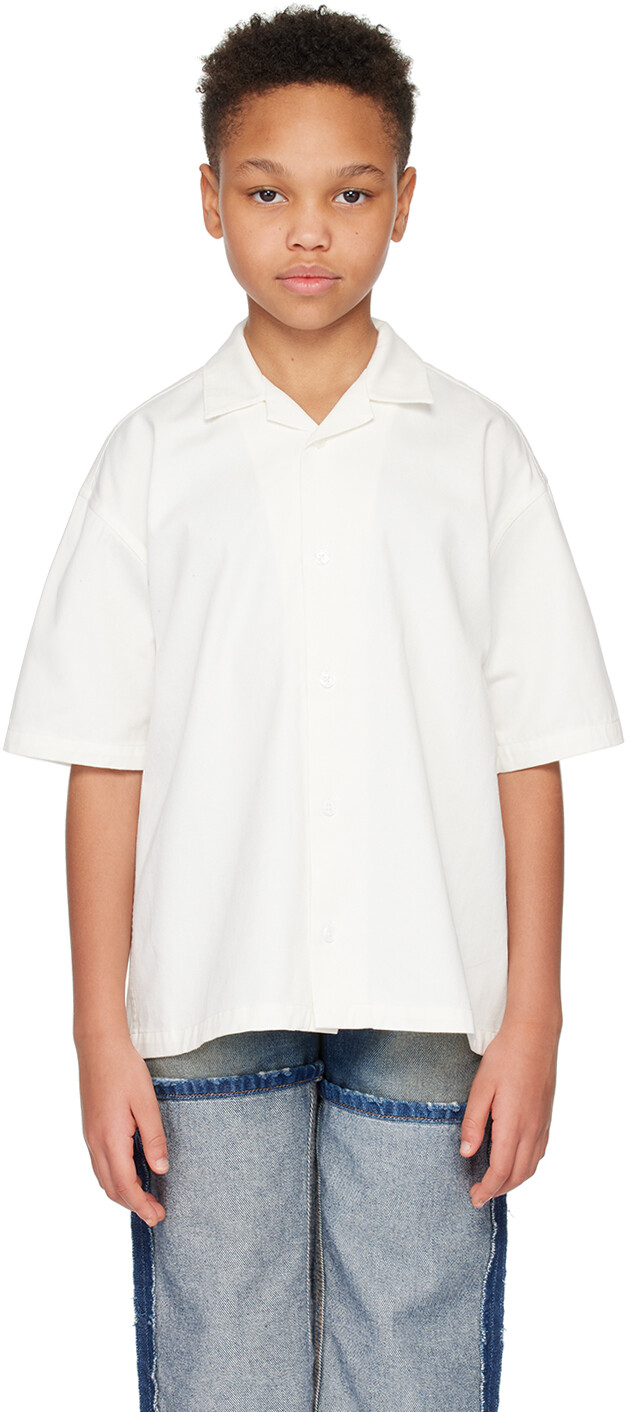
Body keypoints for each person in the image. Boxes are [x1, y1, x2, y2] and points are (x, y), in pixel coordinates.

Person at [3, 6, 624, 1410]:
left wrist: (536, 1016)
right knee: (222, 1365)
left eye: (349, 195)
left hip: (432, 997)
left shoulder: (478, 453)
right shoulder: (151, 458)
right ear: (208, 200)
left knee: (413, 1366)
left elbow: (530, 754)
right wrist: (96, 1029)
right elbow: (105, 759)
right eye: (267, 192)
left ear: (403, 203)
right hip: (201, 998)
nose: (307, 232)